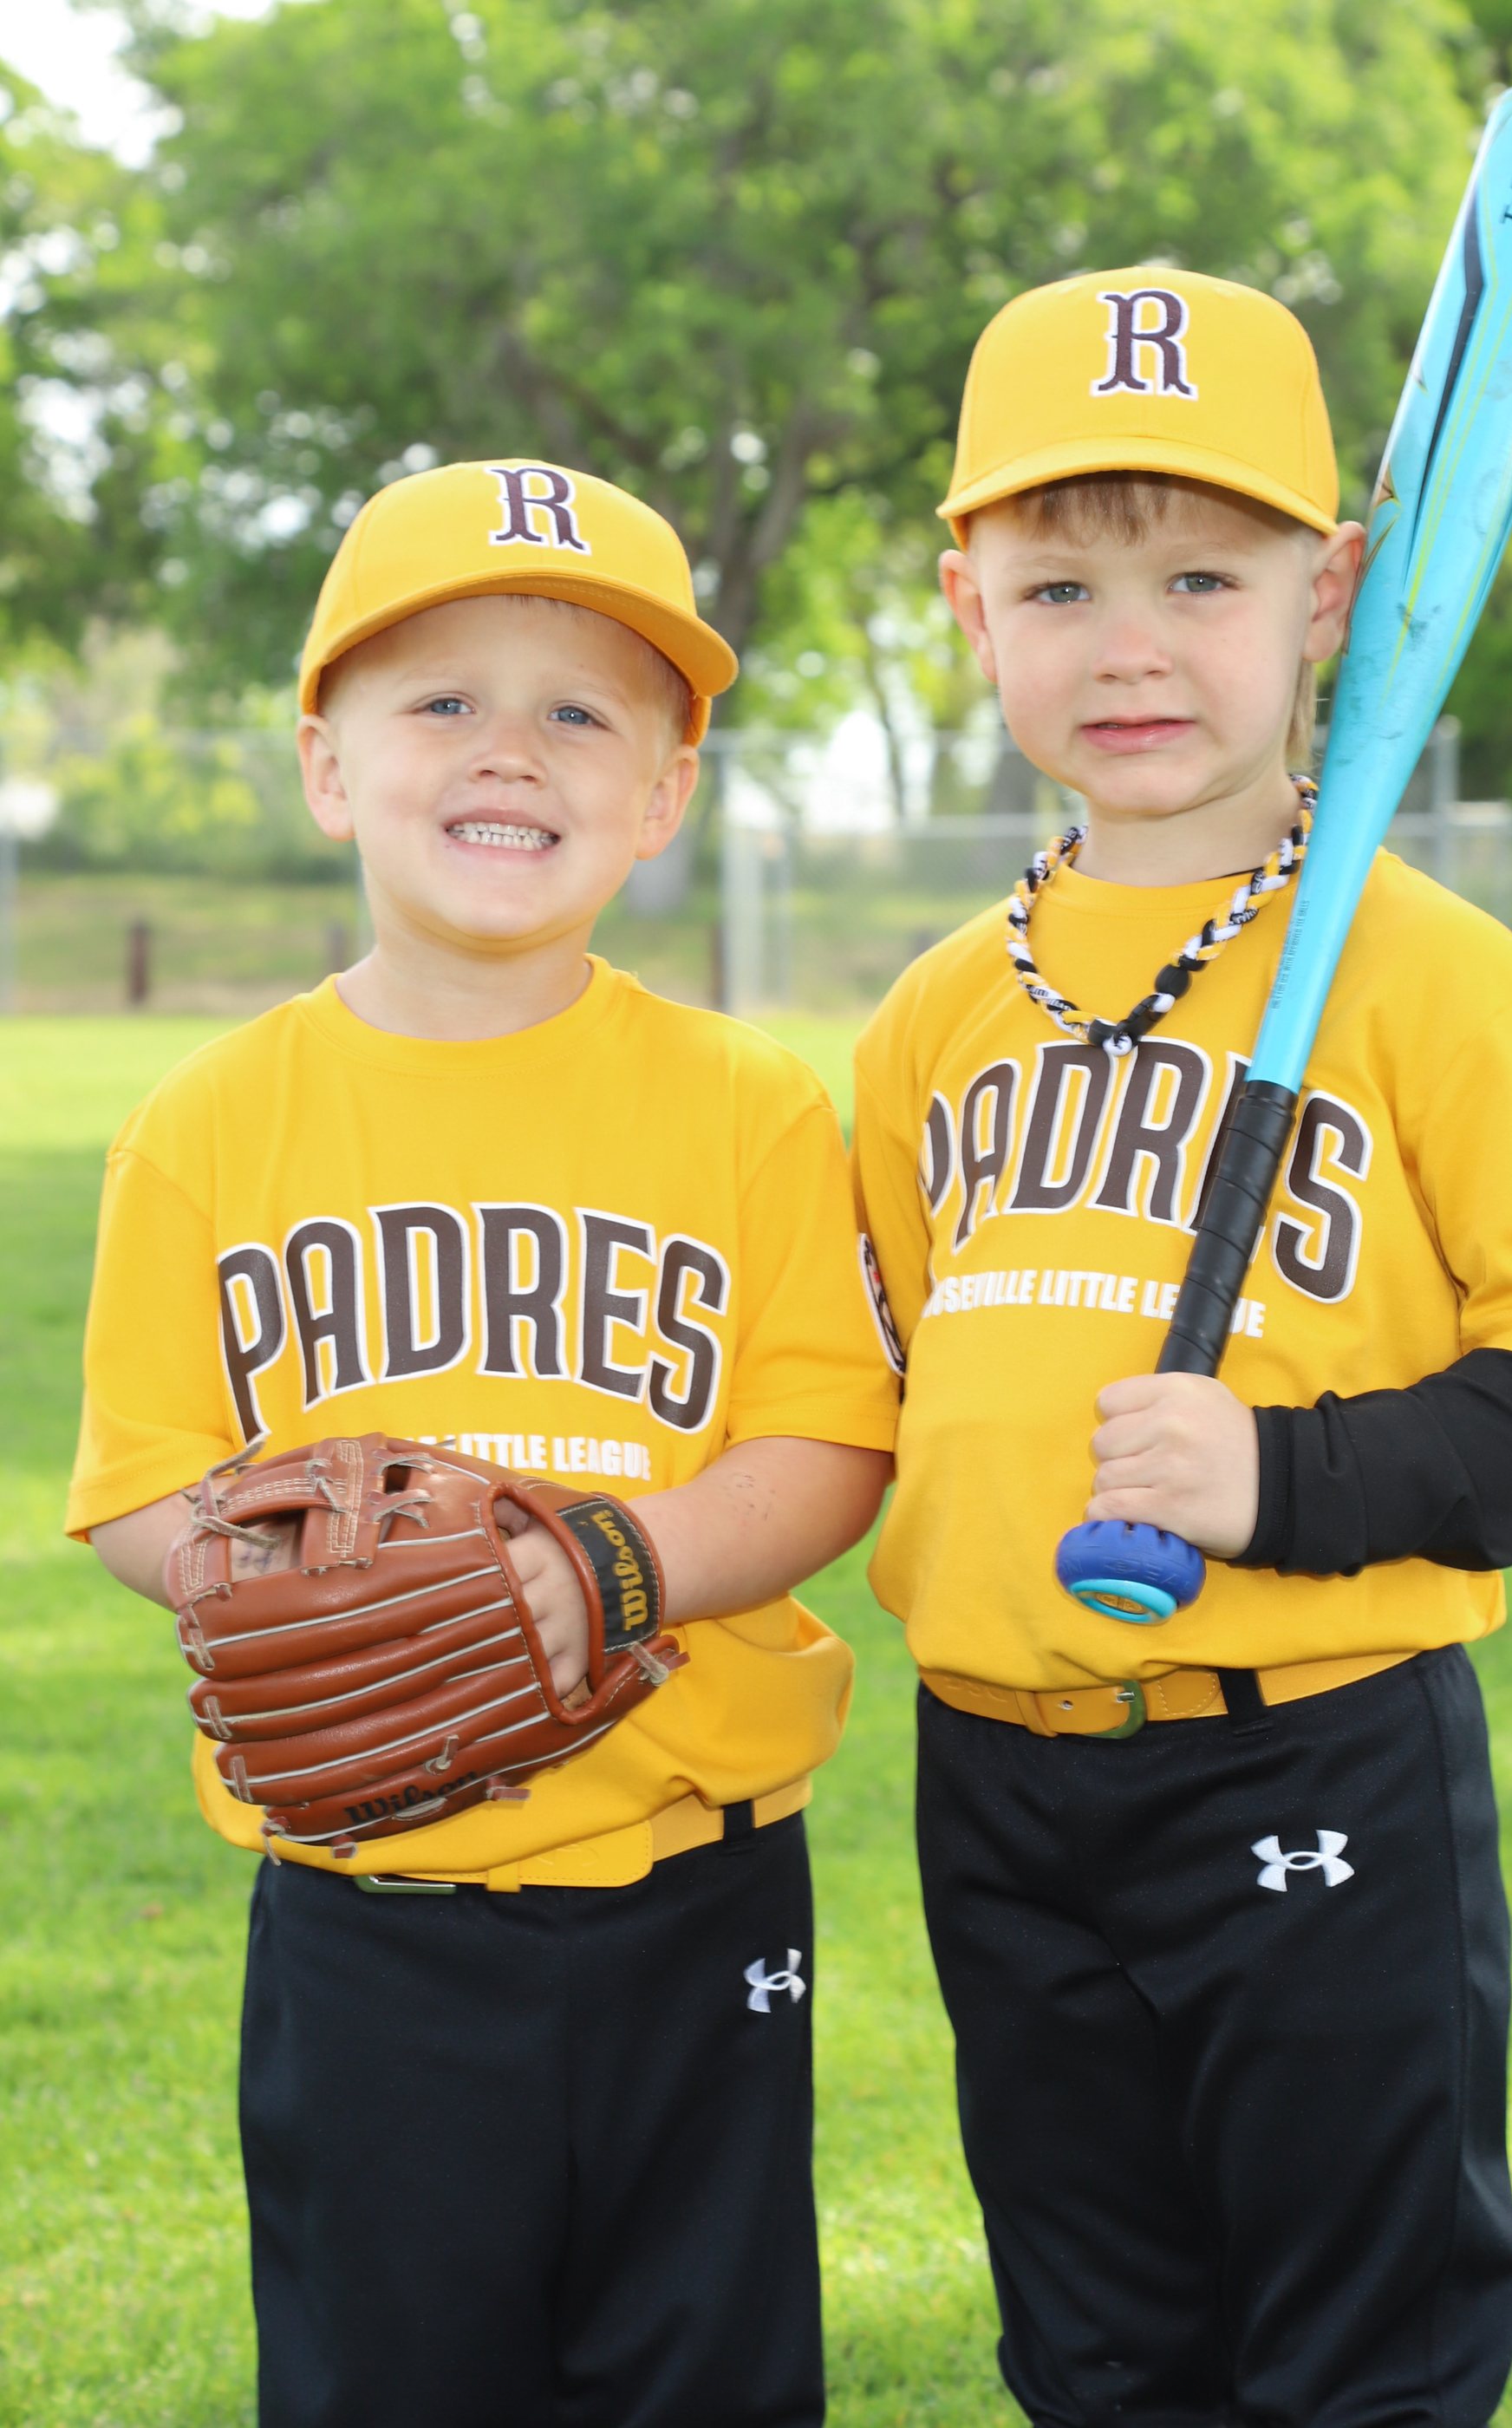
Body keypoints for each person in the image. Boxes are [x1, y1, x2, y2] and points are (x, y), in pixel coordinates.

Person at [850, 271, 1512, 2428]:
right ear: (968, 610)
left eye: (1199, 579)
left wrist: (1281, 1480)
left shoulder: (1440, 975)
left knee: (1358, 2342)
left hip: (1308, 1756)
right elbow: (888, 1383)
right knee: (1095, 2340)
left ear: (1330, 594)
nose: (1128, 645)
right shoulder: (934, 1011)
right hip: (995, 1768)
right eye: (1059, 585)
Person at [67, 459, 901, 2428]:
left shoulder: (751, 1106)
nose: (508, 749)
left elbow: (829, 1444)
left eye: (579, 711)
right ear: (327, 767)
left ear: (664, 794)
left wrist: (609, 1566)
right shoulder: (208, 1125)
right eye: (441, 698)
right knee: (392, 2376)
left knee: (706, 2378)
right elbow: (134, 1483)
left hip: (696, 1886)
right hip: (375, 1909)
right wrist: (311, 1592)